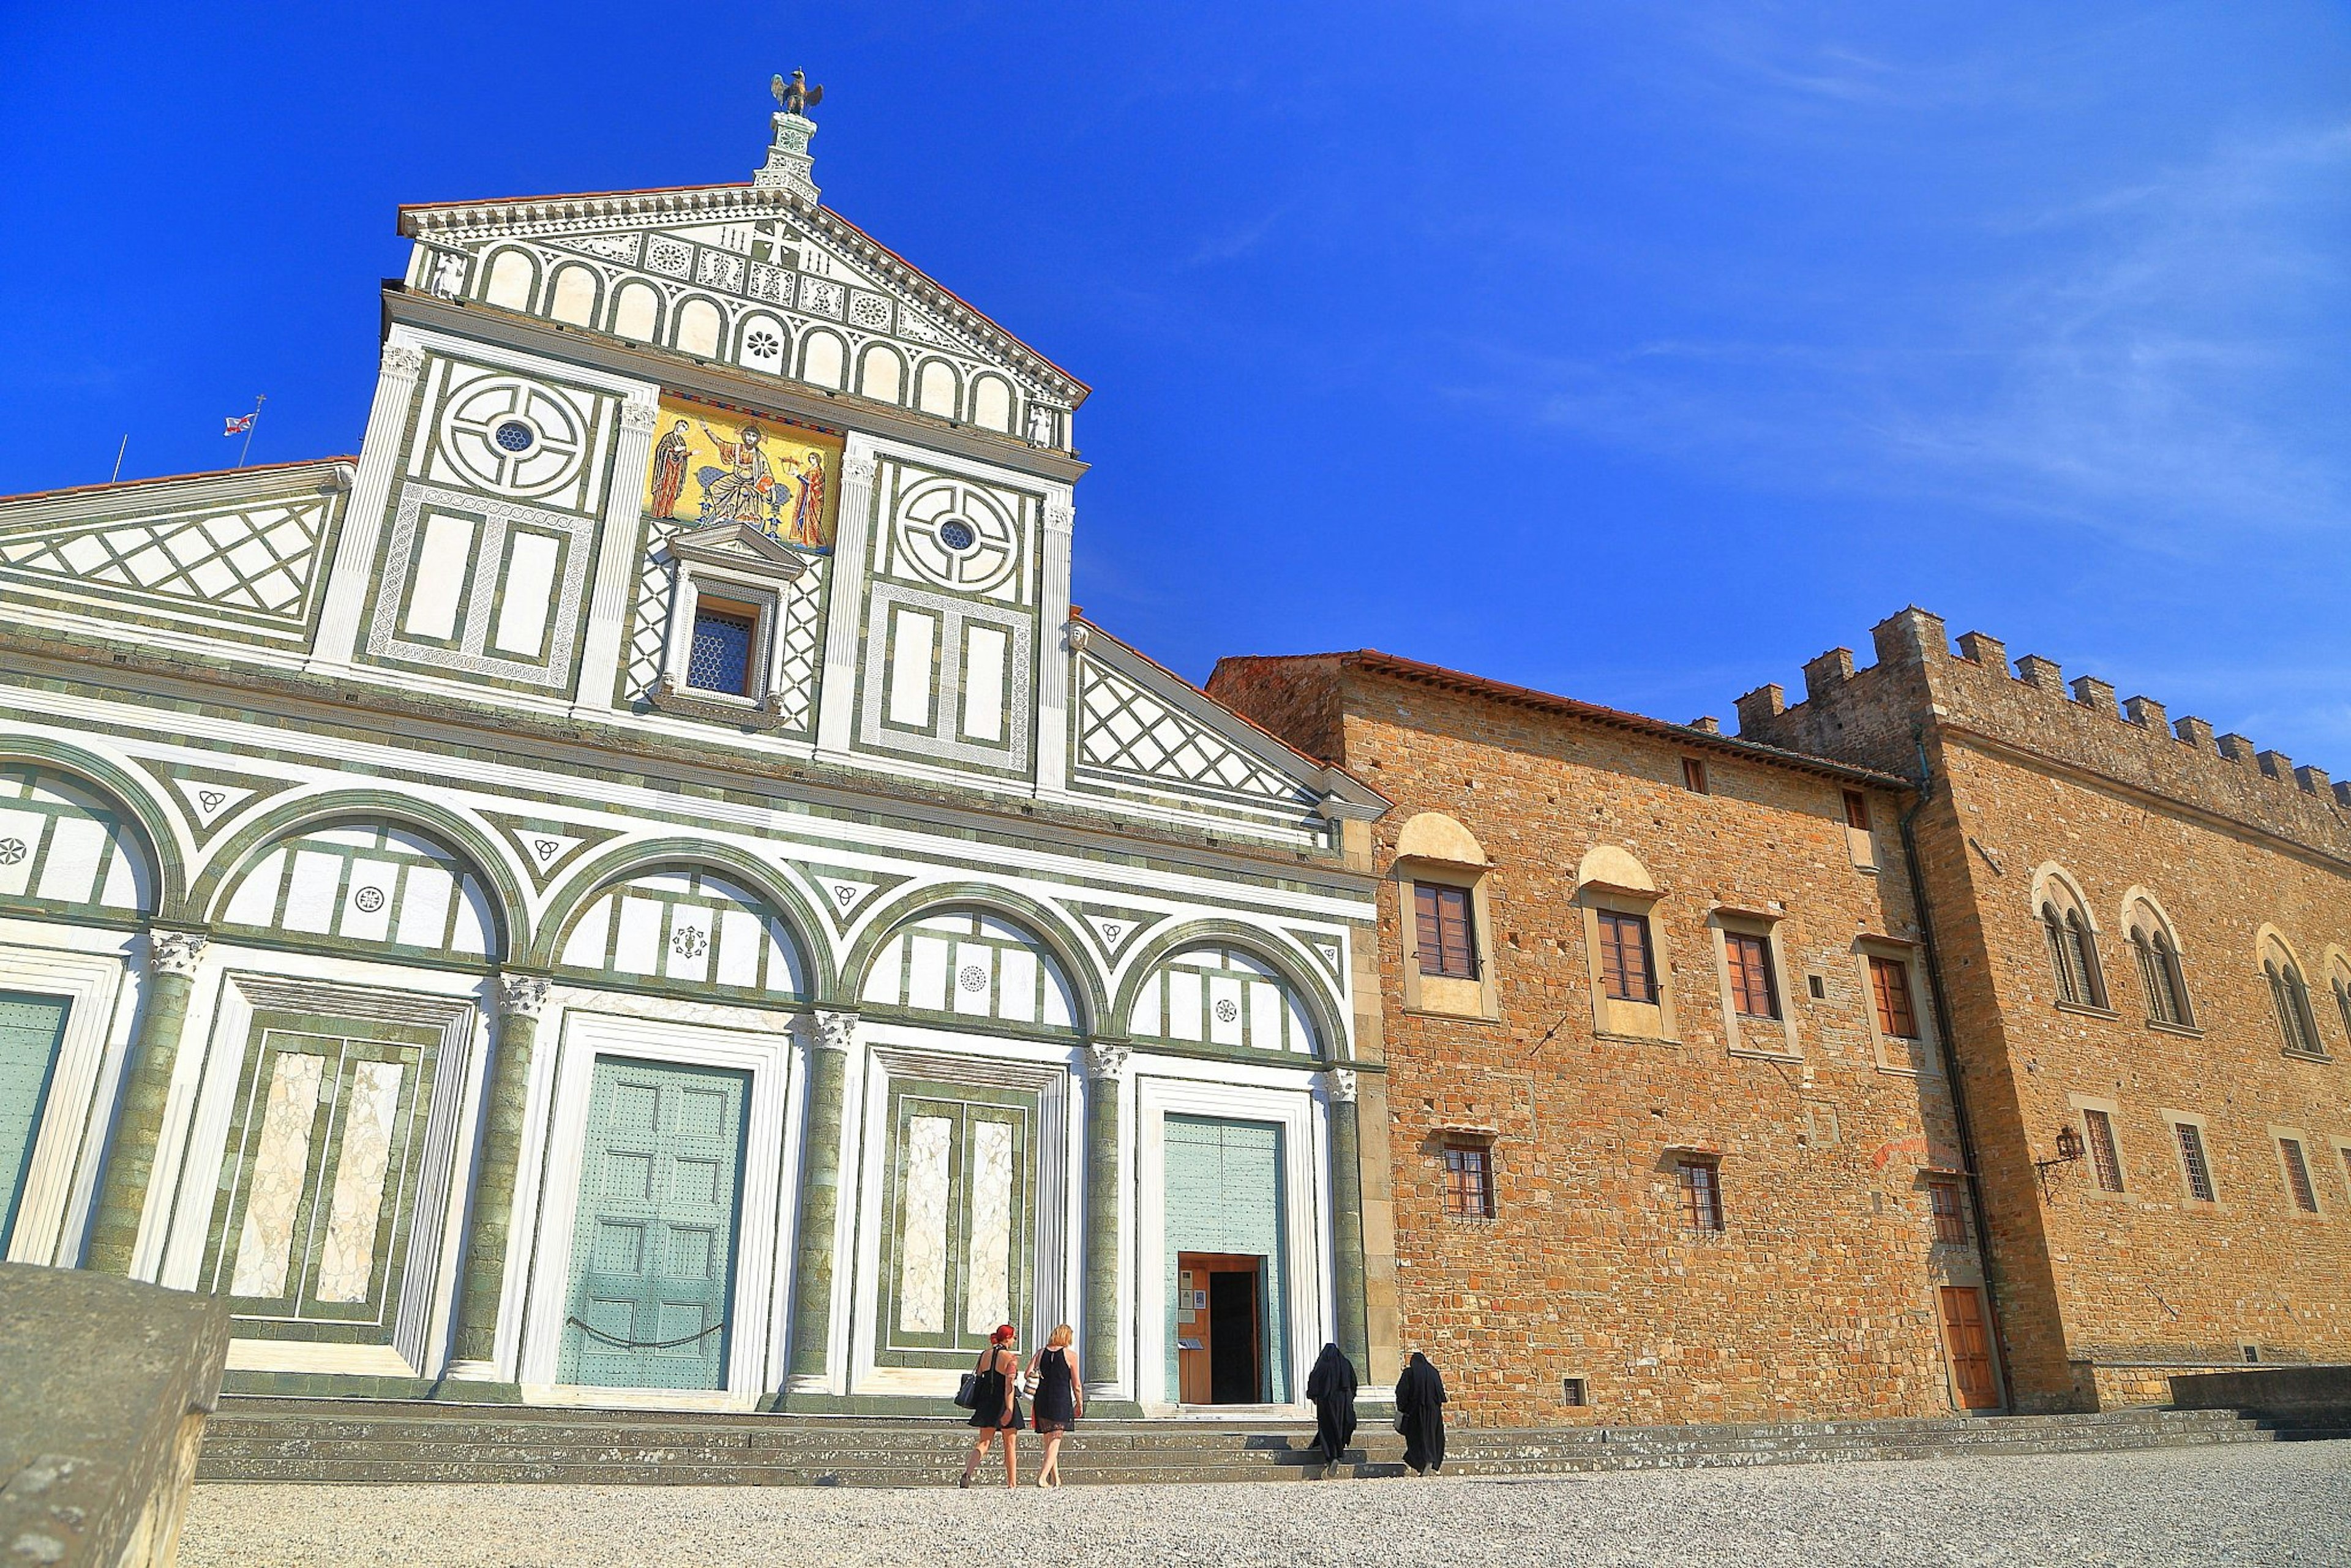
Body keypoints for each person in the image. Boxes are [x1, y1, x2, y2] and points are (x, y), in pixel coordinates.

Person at [959, 1323, 1024, 1488]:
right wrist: (1009, 1409)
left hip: (986, 1403)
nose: (1014, 1341)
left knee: (984, 1442)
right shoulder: (1010, 1359)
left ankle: (967, 1473)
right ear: (1008, 1338)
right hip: (1003, 1402)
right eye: (1014, 1338)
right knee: (1009, 1444)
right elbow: (1009, 1386)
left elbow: (980, 1378)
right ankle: (1012, 1483)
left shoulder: (984, 1355)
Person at [1024, 1324, 1081, 1488]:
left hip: (1042, 1400)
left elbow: (1028, 1373)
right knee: (1056, 1439)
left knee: (1049, 1440)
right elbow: (1076, 1384)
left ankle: (1056, 1479)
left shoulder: (1040, 1353)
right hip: (1060, 1400)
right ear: (1067, 1337)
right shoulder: (1070, 1355)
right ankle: (1042, 1477)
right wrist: (1079, 1403)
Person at [1305, 1342, 1357, 1474]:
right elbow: (1353, 1382)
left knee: (1328, 1428)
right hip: (1344, 1402)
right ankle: (1338, 1453)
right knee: (1340, 1427)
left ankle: (1332, 1457)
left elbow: (1314, 1381)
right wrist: (1349, 1398)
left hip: (1327, 1401)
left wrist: (1314, 1397)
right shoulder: (1345, 1364)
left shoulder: (1323, 1365)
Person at [1395, 1350, 1446, 1476]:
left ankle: (1423, 1462)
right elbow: (1440, 1394)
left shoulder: (1410, 1373)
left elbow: (1402, 1393)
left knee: (1417, 1438)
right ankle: (1431, 1460)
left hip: (1416, 1412)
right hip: (1434, 1413)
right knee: (1433, 1438)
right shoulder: (1433, 1372)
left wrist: (1402, 1408)